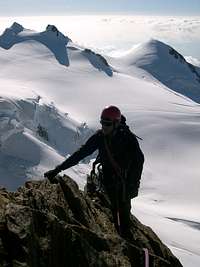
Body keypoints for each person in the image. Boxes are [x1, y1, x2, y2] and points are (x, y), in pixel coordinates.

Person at [44, 106, 144, 237]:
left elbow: (138, 162)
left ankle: (127, 240)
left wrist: (132, 185)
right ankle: (120, 236)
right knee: (113, 211)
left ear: (116, 123)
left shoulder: (127, 139)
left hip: (123, 184)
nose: (104, 126)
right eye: (102, 122)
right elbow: (80, 153)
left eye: (107, 123)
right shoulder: (100, 137)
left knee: (123, 214)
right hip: (108, 180)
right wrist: (58, 169)